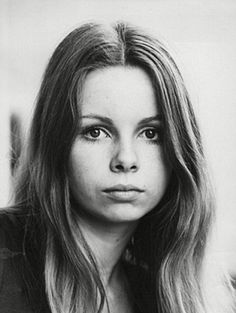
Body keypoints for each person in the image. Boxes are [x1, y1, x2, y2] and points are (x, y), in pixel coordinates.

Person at [0, 22, 235, 313]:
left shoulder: (162, 291)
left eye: (151, 134)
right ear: (55, 142)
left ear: (180, 149)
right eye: (96, 131)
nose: (125, 159)